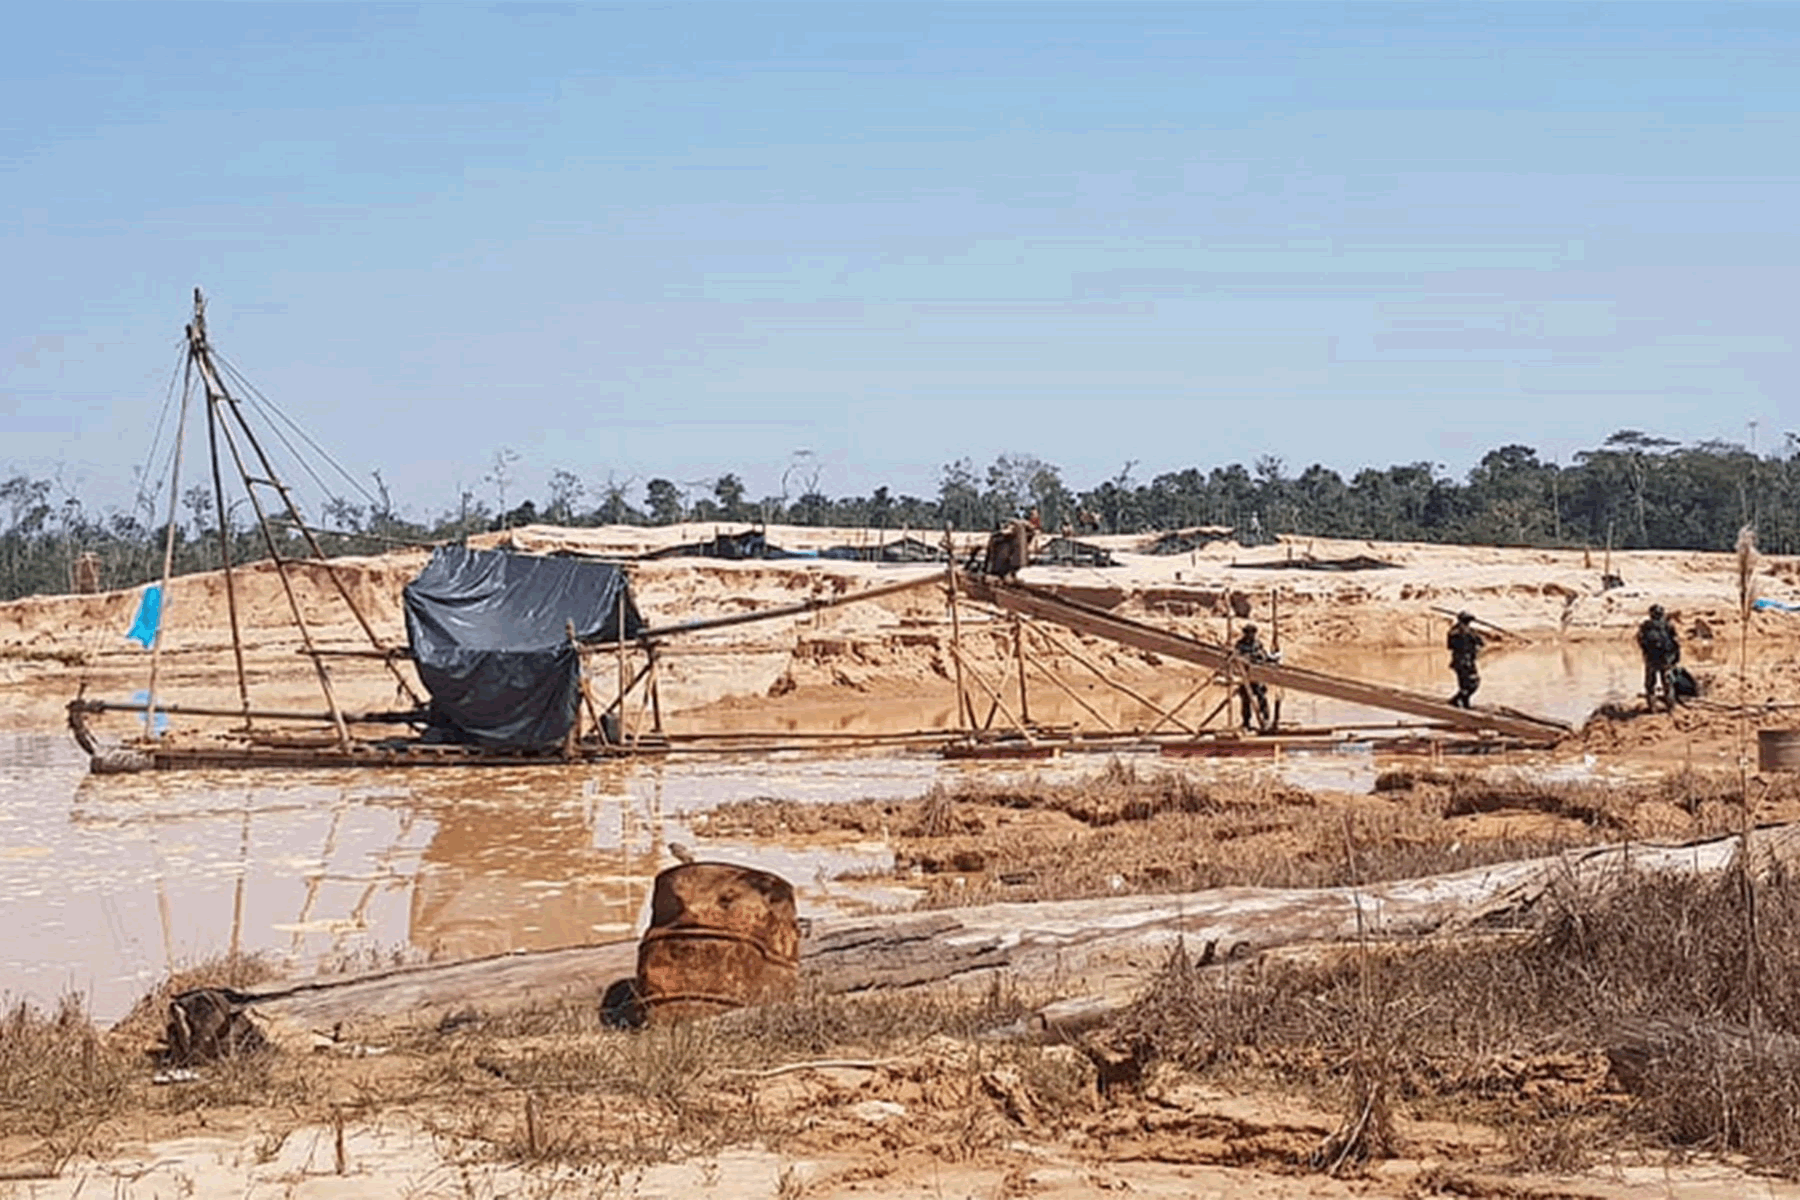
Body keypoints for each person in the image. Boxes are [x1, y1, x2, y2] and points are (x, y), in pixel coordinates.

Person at [1637, 603, 1681, 712]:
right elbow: (1676, 641)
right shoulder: (1668, 625)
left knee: (1650, 684)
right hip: (1665, 659)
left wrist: (1645, 652)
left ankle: (1652, 707)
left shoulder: (1645, 625)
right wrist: (1676, 657)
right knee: (1667, 683)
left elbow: (1640, 640)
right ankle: (1671, 706)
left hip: (1651, 659)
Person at [1233, 623, 1278, 731]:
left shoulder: (1257, 644)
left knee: (1262, 697)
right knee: (1246, 701)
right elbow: (1237, 658)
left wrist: (1269, 658)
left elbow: (1264, 656)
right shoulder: (1240, 645)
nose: (1251, 635)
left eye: (1253, 633)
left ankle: (1266, 719)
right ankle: (1246, 722)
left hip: (1257, 676)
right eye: (1249, 633)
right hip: (1245, 677)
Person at [1447, 611, 1484, 709]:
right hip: (1466, 662)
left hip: (1458, 661)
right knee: (1473, 683)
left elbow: (1449, 646)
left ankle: (1463, 703)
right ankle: (1457, 700)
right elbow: (1481, 642)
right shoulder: (1469, 632)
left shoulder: (1453, 631)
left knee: (1464, 685)